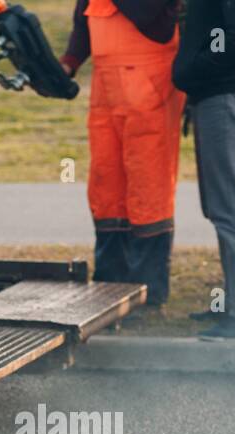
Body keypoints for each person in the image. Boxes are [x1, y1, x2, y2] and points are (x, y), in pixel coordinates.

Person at [61, 0, 182, 307]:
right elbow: (84, 18)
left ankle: (147, 292)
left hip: (150, 80)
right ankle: (109, 285)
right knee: (106, 185)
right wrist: (69, 62)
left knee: (149, 184)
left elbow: (148, 13)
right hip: (106, 84)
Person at [173, 0, 235, 342]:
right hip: (220, 93)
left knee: (231, 208)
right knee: (223, 207)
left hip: (228, 94)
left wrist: (194, 69)